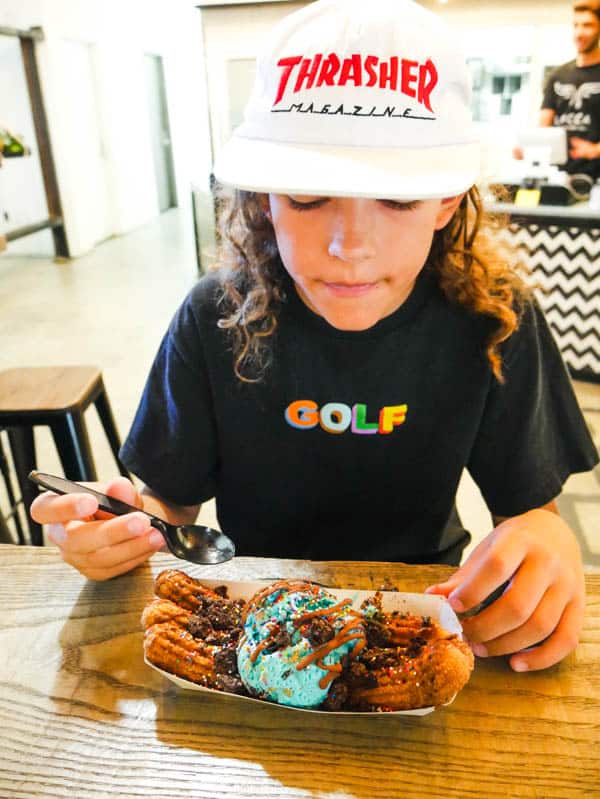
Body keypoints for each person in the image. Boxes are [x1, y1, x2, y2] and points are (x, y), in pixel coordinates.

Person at [31, 0, 598, 674]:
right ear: (263, 199)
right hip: (250, 611)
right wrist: (122, 530)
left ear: (447, 199)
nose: (349, 246)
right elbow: (170, 507)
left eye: (397, 198)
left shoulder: (493, 317)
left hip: (425, 610)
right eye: (307, 195)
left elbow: (530, 510)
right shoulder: (215, 315)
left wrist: (547, 541)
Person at [516, 1, 600, 180]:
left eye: (588, 25)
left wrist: (594, 150)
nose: (579, 32)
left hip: (595, 177)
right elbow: (544, 126)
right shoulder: (557, 75)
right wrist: (530, 148)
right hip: (558, 176)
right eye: (575, 25)